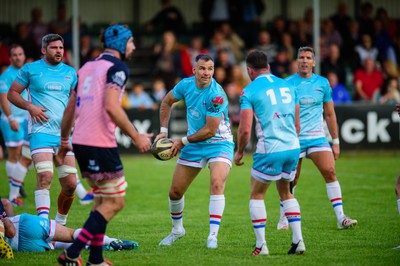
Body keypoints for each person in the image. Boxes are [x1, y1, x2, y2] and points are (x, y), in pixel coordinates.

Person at [55, 24, 152, 265]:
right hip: (99, 143)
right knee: (115, 202)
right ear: (120, 43)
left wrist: (65, 140)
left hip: (80, 142)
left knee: (100, 201)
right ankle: (72, 253)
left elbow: (70, 106)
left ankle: (96, 260)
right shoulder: (117, 68)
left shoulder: (87, 67)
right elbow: (111, 106)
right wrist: (136, 135)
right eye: (131, 41)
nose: (134, 46)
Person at [156, 54, 234, 249]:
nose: (206, 72)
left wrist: (181, 142)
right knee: (175, 192)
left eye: (209, 69)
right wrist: (164, 132)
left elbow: (210, 130)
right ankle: (177, 230)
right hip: (193, 143)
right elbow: (166, 102)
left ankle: (212, 236)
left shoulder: (216, 94)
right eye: (202, 68)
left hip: (219, 142)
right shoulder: (185, 85)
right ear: (194, 70)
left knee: (217, 183)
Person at [277, 46, 357, 230]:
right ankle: (284, 216)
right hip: (294, 139)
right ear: (297, 61)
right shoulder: (287, 84)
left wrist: (335, 142)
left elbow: (329, 114)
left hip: (317, 138)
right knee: (292, 179)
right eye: (301, 57)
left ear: (314, 62)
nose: (304, 61)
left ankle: (341, 217)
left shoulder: (322, 83)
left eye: (308, 58)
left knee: (330, 171)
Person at [234, 50, 305, 255]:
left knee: (257, 194)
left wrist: (239, 152)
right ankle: (298, 241)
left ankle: (261, 245)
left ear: (249, 70)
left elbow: (245, 129)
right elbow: (297, 124)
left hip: (270, 149)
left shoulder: (249, 91)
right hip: (292, 147)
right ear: (269, 67)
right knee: (286, 192)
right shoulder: (289, 85)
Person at [7, 34, 78, 225]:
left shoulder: (71, 73)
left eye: (61, 48)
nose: (58, 51)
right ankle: (43, 225)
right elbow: (12, 93)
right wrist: (30, 107)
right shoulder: (31, 69)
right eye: (54, 48)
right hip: (40, 133)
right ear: (43, 50)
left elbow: (75, 101)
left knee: (71, 184)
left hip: (63, 136)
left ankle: (60, 224)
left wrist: (75, 119)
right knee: (45, 176)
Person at [0, 198, 137, 253]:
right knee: (71, 234)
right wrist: (7, 219)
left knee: (53, 244)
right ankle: (111, 241)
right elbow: (6, 206)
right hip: (25, 225)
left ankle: (90, 246)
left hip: (20, 248)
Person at [0, 44, 32, 206]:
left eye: (20, 54)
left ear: (24, 55)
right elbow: (3, 98)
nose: (17, 57)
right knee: (15, 154)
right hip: (11, 120)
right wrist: (10, 117)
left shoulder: (27, 71)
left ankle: (17, 185)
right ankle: (15, 192)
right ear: (10, 58)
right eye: (14, 55)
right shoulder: (6, 76)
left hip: (26, 119)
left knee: (27, 155)